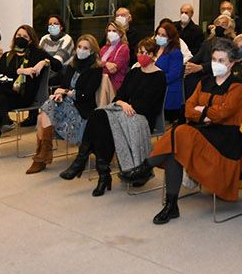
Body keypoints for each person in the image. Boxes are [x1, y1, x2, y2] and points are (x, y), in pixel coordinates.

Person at [147, 38, 242, 224]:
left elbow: (222, 115)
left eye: (221, 61)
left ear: (232, 63)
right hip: (202, 132)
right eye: (214, 59)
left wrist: (201, 111)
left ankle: (146, 166)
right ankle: (171, 205)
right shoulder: (204, 82)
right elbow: (188, 108)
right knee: (174, 150)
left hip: (224, 142)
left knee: (179, 132)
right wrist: (205, 114)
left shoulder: (237, 87)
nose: (216, 64)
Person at [65, 37, 168, 195]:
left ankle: (90, 166)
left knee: (104, 124)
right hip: (124, 110)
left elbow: (150, 106)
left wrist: (127, 105)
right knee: (98, 115)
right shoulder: (134, 72)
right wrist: (122, 103)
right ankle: (100, 172)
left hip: (142, 117)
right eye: (140, 52)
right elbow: (120, 96)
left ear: (154, 55)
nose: (142, 55)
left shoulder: (159, 77)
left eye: (147, 53)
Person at [0, 25, 53, 162]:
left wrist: (44, 62)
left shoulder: (36, 54)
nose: (20, 39)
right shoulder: (7, 55)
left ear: (31, 40)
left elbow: (57, 64)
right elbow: (1, 73)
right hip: (7, 94)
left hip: (24, 96)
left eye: (24, 37)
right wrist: (20, 71)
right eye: (18, 36)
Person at [28, 35, 105, 175]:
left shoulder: (96, 69)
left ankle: (41, 158)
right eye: (79, 47)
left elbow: (86, 94)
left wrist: (66, 92)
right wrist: (59, 94)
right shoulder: (72, 65)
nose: (81, 50)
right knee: (43, 114)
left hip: (81, 110)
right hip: (65, 104)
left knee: (42, 116)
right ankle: (42, 156)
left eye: (85, 48)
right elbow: (64, 85)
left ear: (92, 51)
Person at [154, 20, 188, 122]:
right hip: (156, 90)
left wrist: (155, 81)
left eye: (163, 35)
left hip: (168, 92)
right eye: (158, 34)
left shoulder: (175, 53)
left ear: (170, 37)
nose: (159, 36)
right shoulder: (154, 49)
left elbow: (174, 75)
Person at [100, 19, 131, 90]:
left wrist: (101, 65)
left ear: (120, 33)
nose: (111, 33)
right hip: (101, 83)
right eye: (109, 31)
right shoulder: (104, 48)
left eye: (114, 31)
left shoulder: (124, 48)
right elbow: (96, 63)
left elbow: (113, 70)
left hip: (115, 85)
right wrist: (106, 64)